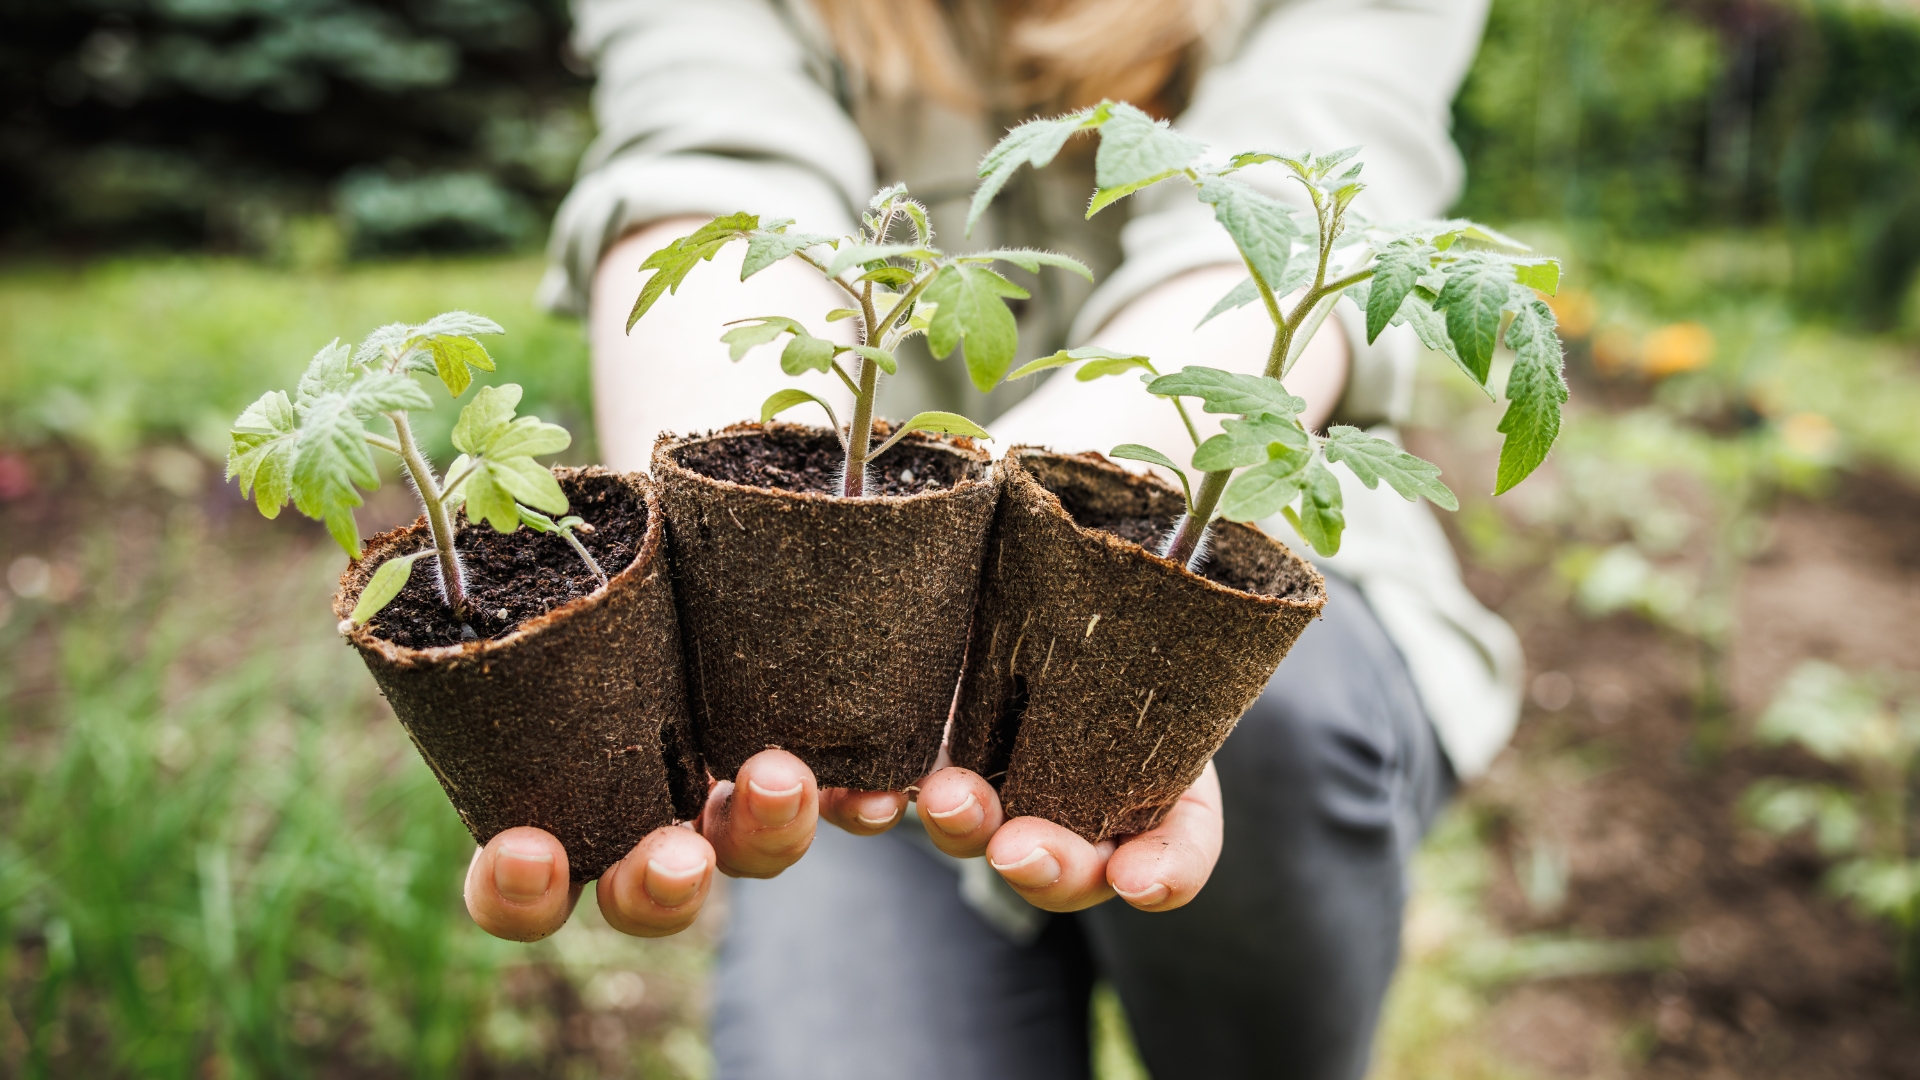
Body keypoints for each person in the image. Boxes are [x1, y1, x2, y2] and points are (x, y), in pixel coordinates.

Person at [462, 2, 1524, 1077]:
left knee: (1276, 719)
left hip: (1191, 616)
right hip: (861, 710)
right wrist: (748, 568)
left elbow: (1284, 210)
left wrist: (1035, 552)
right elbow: (702, 151)